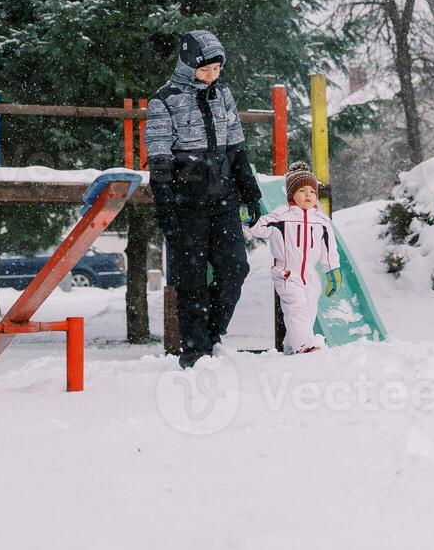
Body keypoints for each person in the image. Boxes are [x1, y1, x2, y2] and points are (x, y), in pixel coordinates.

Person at [145, 30, 264, 368]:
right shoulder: (163, 101)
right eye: (205, 70)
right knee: (191, 278)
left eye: (217, 70)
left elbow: (237, 148)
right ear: (188, 64)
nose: (212, 76)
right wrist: (167, 211)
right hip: (187, 205)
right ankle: (194, 349)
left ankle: (212, 334)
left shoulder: (223, 94)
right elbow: (159, 162)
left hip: (223, 199)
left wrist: (250, 193)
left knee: (236, 268)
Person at [250, 162, 343, 354]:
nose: (308, 195)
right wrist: (250, 219)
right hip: (286, 273)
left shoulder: (322, 221)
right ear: (292, 194)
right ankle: (304, 345)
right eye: (302, 190)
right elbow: (260, 228)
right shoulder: (281, 215)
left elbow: (329, 249)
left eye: (312, 191)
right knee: (296, 307)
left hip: (310, 275)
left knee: (308, 311)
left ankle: (291, 346)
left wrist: (332, 271)